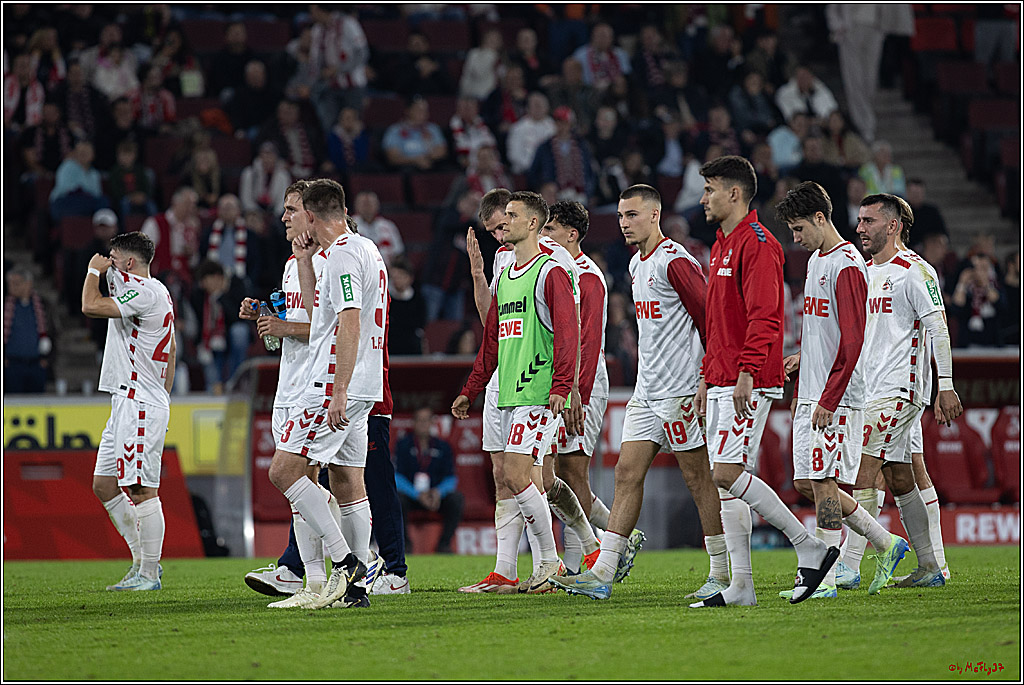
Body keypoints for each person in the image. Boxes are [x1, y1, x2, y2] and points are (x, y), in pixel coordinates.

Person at [551, 184, 726, 601]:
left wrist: (705, 378)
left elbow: (710, 321)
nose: (624, 223)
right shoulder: (635, 265)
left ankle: (721, 571)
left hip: (681, 391)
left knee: (699, 479)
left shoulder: (675, 262)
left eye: (631, 215)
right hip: (647, 392)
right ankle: (604, 572)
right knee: (626, 474)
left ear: (654, 215)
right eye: (620, 216)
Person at [690, 156, 838, 608]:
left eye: (710, 189)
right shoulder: (722, 244)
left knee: (727, 473)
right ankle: (742, 586)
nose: (703, 198)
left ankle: (809, 545)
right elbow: (718, 323)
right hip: (721, 377)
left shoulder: (758, 243)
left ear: (734, 193)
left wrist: (747, 373)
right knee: (724, 484)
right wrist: (705, 377)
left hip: (746, 381)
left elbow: (766, 317)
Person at [243, 183, 400, 599]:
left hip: (335, 380)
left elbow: (348, 321)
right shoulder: (366, 250)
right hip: (362, 382)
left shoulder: (344, 255)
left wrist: (339, 390)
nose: (287, 219)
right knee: (349, 480)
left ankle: (347, 563)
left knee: (285, 471)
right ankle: (355, 584)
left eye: (294, 211)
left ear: (310, 216)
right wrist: (305, 261)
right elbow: (321, 315)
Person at [458, 188, 600, 593]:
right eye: (497, 227)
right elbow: (493, 333)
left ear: (531, 222)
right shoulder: (505, 268)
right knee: (511, 475)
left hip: (538, 388)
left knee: (530, 475)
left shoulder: (555, 267)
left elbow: (570, 332)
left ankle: (566, 557)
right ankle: (517, 568)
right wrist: (473, 387)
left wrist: (566, 386)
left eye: (510, 220)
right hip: (508, 386)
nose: (502, 231)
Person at [775, 181, 910, 599]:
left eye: (798, 229)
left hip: (838, 397)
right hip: (814, 389)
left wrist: (829, 399)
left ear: (820, 218)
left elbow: (852, 340)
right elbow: (821, 328)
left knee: (823, 481)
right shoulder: (817, 260)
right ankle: (887, 544)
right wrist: (801, 360)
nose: (795, 239)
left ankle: (825, 580)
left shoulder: (848, 265)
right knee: (806, 482)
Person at [839, 198, 951, 587]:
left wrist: (946, 386)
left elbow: (938, 328)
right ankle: (930, 566)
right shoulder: (863, 271)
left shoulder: (915, 271)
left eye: (868, 220)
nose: (860, 228)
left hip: (900, 391)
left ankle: (849, 567)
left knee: (861, 471)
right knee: (900, 477)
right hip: (869, 391)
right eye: (859, 220)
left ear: (893, 226)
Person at [82, 231, 175, 591]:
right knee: (104, 484)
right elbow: (175, 345)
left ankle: (150, 573)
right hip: (126, 400)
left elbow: (91, 306)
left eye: (114, 259)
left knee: (141, 488)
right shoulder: (157, 292)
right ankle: (141, 563)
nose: (109, 264)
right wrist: (164, 394)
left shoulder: (145, 291)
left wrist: (93, 272)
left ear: (130, 263)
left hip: (139, 401)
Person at [538, 201, 618, 574]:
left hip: (583, 387)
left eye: (550, 229)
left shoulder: (587, 276)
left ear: (571, 234)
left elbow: (588, 342)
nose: (543, 236)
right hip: (559, 385)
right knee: (553, 474)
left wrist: (577, 396)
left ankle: (575, 566)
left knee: (573, 472)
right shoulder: (554, 271)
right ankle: (618, 534)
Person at [395, 407, 465, 554]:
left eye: (426, 420)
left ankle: (444, 545)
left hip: (435, 497)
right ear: (413, 423)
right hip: (412, 496)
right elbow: (397, 477)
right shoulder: (403, 445)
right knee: (397, 499)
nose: (423, 424)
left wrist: (438, 492)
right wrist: (417, 495)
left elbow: (451, 477)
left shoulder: (443, 446)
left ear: (432, 423)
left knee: (456, 499)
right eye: (419, 420)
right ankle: (405, 545)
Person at [4, 266, 53, 394]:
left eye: (16, 283)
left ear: (28, 284)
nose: (12, 287)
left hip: (37, 364)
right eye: (10, 283)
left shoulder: (42, 305)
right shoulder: (6, 306)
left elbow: (54, 333)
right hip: (12, 365)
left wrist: (47, 359)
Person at [141, 186, 201, 287]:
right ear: (176, 203)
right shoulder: (155, 223)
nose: (191, 209)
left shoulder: (192, 227)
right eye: (187, 204)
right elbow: (141, 255)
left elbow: (194, 263)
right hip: (158, 281)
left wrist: (191, 254)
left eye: (193, 205)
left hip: (183, 283)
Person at [382, 96, 448, 172]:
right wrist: (415, 160)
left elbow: (442, 151)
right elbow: (393, 157)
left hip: (430, 165)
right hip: (407, 167)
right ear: (408, 111)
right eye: (419, 110)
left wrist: (425, 158)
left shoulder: (433, 128)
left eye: (425, 111)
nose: (423, 114)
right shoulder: (394, 130)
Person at [49, 139, 108, 222]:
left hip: (87, 203)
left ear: (92, 155)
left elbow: (97, 194)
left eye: (86, 152)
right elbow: (66, 189)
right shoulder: (68, 166)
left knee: (104, 202)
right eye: (80, 152)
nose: (83, 154)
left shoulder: (94, 174)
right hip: (64, 202)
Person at [506, 92, 556, 175]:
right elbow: (513, 154)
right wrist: (532, 166)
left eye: (541, 106)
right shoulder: (518, 127)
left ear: (547, 108)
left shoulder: (553, 127)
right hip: (525, 171)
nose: (538, 109)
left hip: (548, 171)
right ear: (528, 108)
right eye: (535, 106)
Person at [239, 141, 292, 218]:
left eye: (270, 155)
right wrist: (255, 212)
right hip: (253, 213)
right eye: (264, 154)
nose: (267, 158)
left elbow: (283, 200)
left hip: (274, 213)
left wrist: (275, 215)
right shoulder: (249, 173)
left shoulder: (283, 176)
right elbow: (246, 199)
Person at [774, 65, 839, 127]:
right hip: (798, 130)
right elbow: (790, 119)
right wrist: (812, 122)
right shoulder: (784, 93)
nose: (804, 80)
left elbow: (832, 111)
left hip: (822, 128)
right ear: (795, 78)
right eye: (801, 77)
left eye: (807, 76)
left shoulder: (820, 87)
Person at [353, 191, 404, 267]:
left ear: (377, 205)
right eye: (364, 203)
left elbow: (398, 253)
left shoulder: (388, 226)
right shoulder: (347, 226)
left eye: (370, 203)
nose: (367, 207)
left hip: (386, 273)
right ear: (356, 205)